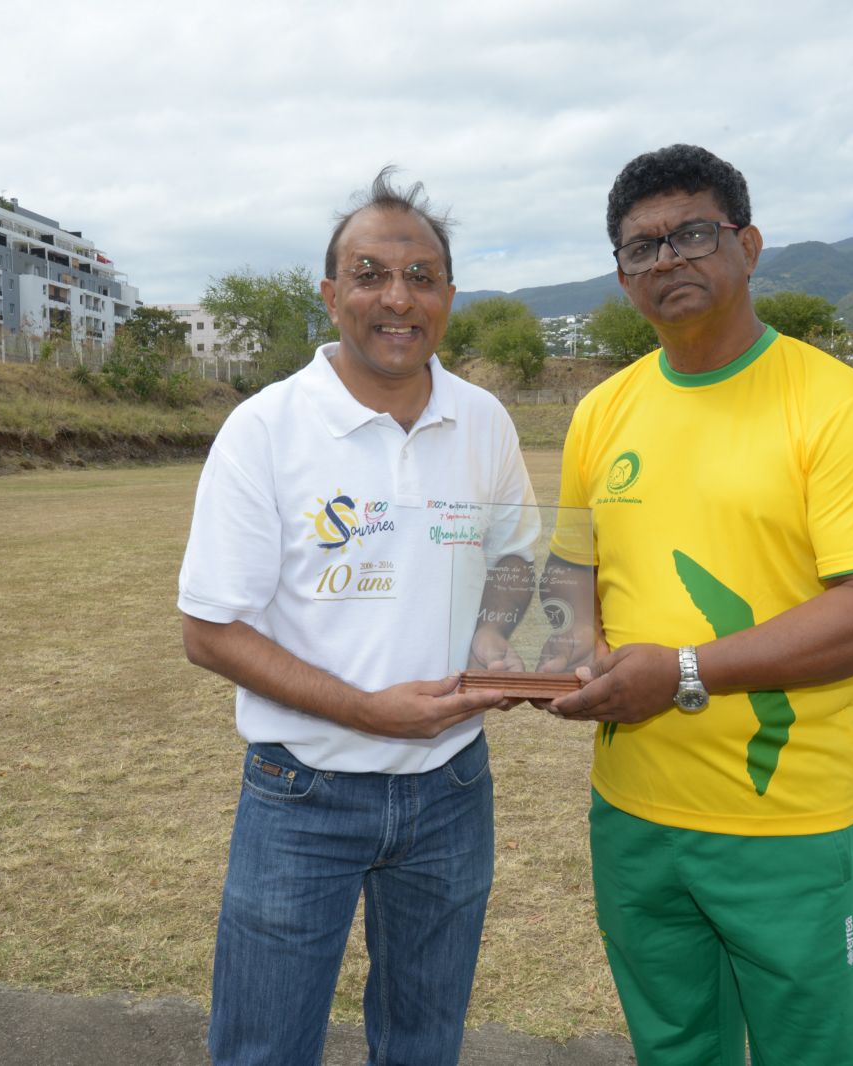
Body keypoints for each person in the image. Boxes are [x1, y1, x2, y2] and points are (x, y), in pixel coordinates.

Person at [544, 144, 853, 1065]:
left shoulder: (835, 405)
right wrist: (559, 650)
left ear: (748, 245)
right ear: (623, 275)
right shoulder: (603, 411)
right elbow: (570, 579)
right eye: (642, 248)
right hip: (633, 817)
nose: (668, 260)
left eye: (693, 234)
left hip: (786, 829)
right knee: (675, 1049)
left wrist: (679, 671)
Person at [177, 169, 536, 1066]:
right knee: (263, 1047)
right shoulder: (264, 429)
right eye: (370, 274)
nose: (396, 298)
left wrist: (497, 640)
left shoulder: (482, 420)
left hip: (453, 785)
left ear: (449, 296)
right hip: (303, 788)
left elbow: (518, 556)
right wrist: (367, 712)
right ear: (332, 294)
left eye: (421, 276)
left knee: (423, 1042)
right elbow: (210, 630)